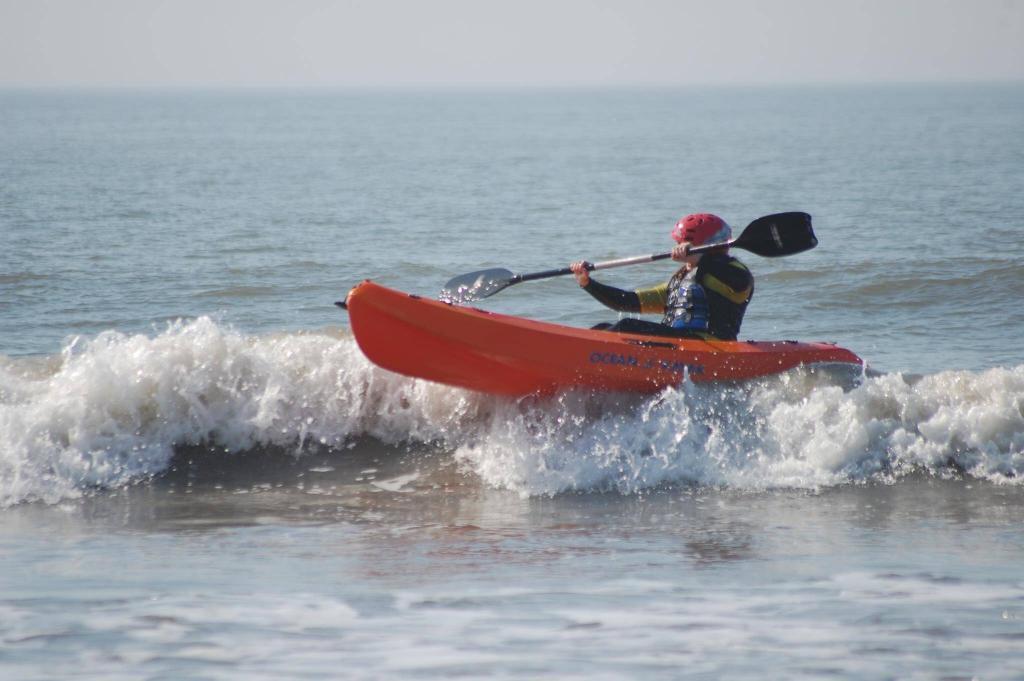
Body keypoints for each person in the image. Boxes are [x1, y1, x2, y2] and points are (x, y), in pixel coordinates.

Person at [569, 213, 754, 340]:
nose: (678, 246)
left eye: (682, 243)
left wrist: (701, 259)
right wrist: (588, 283)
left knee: (627, 326)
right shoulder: (680, 280)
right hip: (678, 345)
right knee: (602, 329)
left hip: (711, 347)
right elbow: (628, 302)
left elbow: (741, 283)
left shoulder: (734, 271)